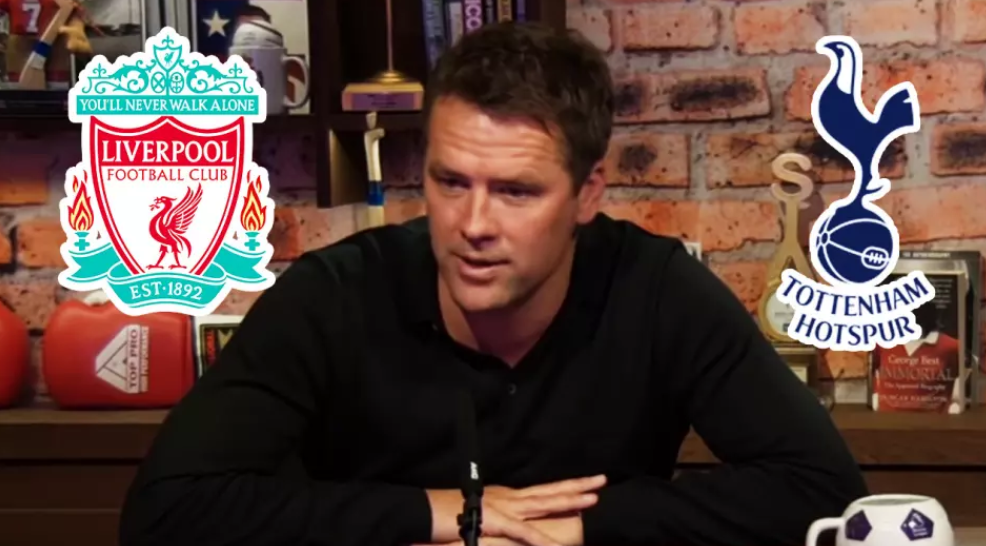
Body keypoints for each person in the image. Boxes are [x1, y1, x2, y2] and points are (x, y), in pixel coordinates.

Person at [119, 20, 868, 546]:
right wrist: (444, 513)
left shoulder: (655, 288)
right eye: (450, 182)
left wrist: (586, 525)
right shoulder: (334, 295)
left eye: (516, 192)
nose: (473, 224)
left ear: (587, 193)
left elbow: (823, 490)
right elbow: (165, 511)